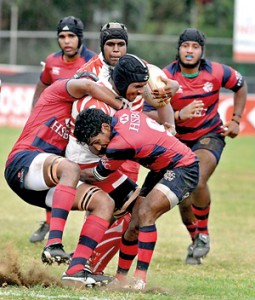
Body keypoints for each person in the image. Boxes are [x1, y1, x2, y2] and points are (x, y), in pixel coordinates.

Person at [65, 24, 178, 274]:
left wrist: (169, 123)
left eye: (121, 44)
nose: (116, 50)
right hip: (96, 152)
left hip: (128, 152)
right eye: (110, 45)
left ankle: (90, 263)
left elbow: (164, 98)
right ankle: (86, 263)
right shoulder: (90, 74)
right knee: (115, 205)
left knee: (125, 212)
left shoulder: (140, 69)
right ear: (101, 46)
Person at [4, 74, 129, 287]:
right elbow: (88, 85)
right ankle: (53, 243)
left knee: (104, 203)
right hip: (23, 162)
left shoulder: (80, 124)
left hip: (47, 187)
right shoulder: (56, 94)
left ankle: (76, 270)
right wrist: (123, 107)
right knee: (70, 168)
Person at [143, 28, 247, 264]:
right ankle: (195, 239)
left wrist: (236, 120)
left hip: (209, 135)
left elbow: (240, 86)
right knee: (182, 193)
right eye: (185, 46)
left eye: (195, 46)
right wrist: (179, 115)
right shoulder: (164, 76)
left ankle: (204, 234)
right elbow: (147, 114)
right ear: (178, 49)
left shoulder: (217, 72)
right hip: (177, 140)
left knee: (196, 178)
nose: (189, 51)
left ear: (202, 50)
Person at [73, 106, 199, 290]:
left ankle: (140, 280)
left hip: (184, 168)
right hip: (163, 168)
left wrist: (67, 170)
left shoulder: (119, 145)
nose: (99, 147)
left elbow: (96, 176)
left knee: (146, 212)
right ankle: (121, 279)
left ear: (105, 127)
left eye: (97, 141)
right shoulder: (122, 115)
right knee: (134, 225)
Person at [29, 16, 97, 244]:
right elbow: (43, 86)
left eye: (71, 36)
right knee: (53, 175)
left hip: (82, 133)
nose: (66, 41)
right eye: (62, 36)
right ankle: (50, 222)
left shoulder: (93, 62)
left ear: (80, 38)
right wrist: (35, 115)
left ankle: (94, 224)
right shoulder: (51, 61)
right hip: (56, 130)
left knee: (90, 176)